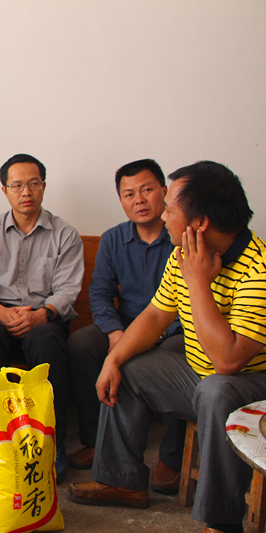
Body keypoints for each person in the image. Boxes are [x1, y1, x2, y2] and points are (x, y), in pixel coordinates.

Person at [68, 161, 266, 533]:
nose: (163, 215)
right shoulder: (184, 252)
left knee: (216, 389)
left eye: (171, 210)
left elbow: (227, 361)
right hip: (199, 375)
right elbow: (156, 315)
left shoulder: (259, 271)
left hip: (249, 388)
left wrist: (198, 282)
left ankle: (221, 522)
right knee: (127, 367)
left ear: (200, 222)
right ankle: (122, 480)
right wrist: (114, 358)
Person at [66, 159, 185, 493]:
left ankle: (171, 457)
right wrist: (116, 333)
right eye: (129, 194)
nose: (139, 200)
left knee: (180, 352)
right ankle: (96, 440)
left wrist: (156, 335)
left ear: (164, 191)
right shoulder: (113, 239)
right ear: (121, 200)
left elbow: (188, 303)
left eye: (147, 190)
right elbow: (100, 294)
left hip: (173, 330)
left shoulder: (180, 235)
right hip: (127, 324)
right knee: (82, 344)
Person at [0, 153, 83, 481]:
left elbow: (67, 290)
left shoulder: (65, 234)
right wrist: (2, 313)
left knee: (47, 343)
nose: (26, 192)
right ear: (4, 190)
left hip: (44, 316)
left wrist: (41, 315)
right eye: (17, 185)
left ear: (43, 186)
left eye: (33, 184)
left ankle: (52, 443)